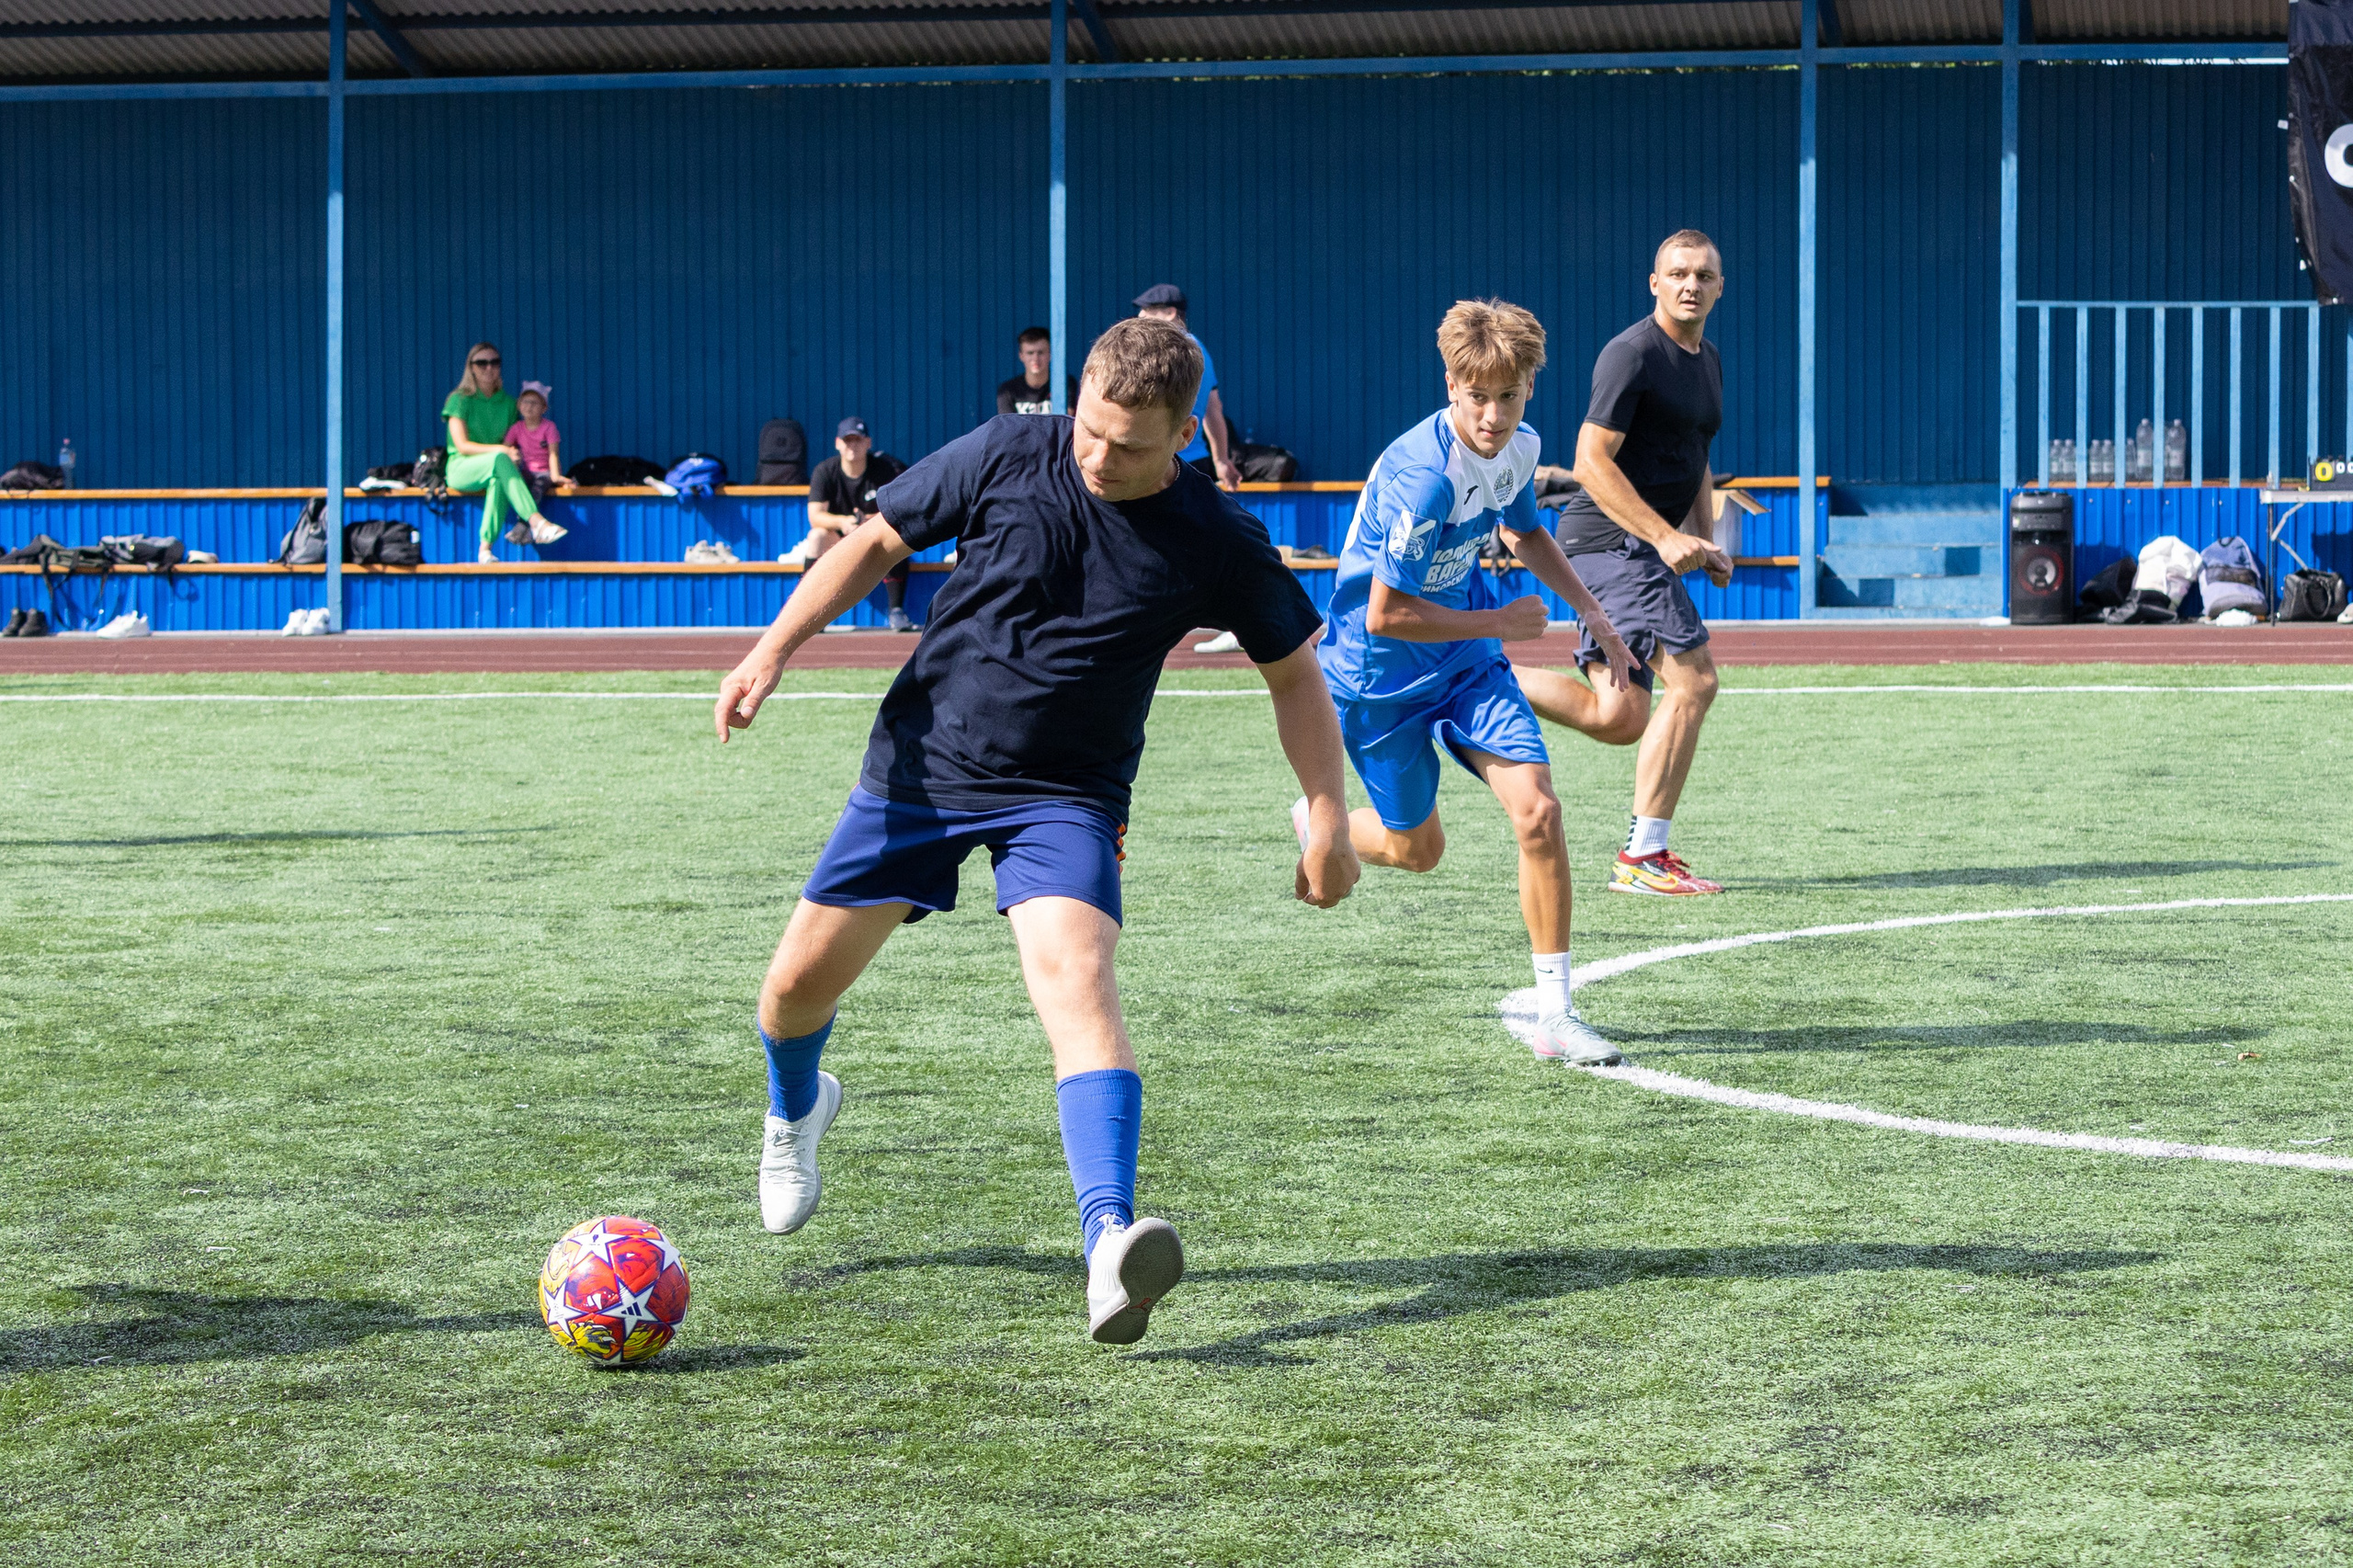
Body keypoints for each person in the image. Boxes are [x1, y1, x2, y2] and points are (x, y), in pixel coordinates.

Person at [713, 317, 1359, 1345]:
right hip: (925, 767)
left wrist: (1326, 810)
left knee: (1079, 982)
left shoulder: (1217, 536)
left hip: (1067, 794)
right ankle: (796, 1108)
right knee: (791, 994)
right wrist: (772, 650)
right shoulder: (1015, 447)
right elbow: (878, 538)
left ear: (1186, 432)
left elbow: (1293, 675)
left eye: (1130, 444)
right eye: (1090, 432)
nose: (1098, 457)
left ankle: (1108, 1243)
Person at [1312, 299, 1637, 1068]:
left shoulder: (1520, 447)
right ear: (1451, 385)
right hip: (1376, 678)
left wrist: (1595, 613)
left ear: (1530, 390)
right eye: (1476, 395)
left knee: (1539, 812)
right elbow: (1386, 616)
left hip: (1465, 664)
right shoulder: (1423, 478)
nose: (1493, 415)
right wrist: (1504, 624)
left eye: (1510, 395)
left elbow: (1525, 531)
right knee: (1416, 850)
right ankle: (1321, 825)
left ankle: (1555, 1015)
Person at [1509, 232, 1735, 897]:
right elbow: (1590, 463)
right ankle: (1643, 858)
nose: (1690, 284)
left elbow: (1696, 452)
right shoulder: (1631, 354)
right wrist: (1665, 539)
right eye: (1678, 273)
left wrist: (1704, 534)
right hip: (1610, 541)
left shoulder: (1708, 359)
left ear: (1720, 287)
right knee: (1694, 683)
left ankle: (1474, 671)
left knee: (1620, 718)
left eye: (1703, 275)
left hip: (1638, 544)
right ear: (1654, 283)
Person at [441, 343, 564, 562]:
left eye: (494, 362)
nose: (489, 368)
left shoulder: (508, 404)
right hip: (462, 467)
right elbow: (462, 446)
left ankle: (485, 549)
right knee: (500, 459)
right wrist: (502, 451)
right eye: (481, 363)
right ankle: (536, 522)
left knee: (500, 476)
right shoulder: (459, 399)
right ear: (471, 367)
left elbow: (516, 440)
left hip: (496, 466)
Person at [801, 418, 915, 631]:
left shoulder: (885, 469)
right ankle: (808, 612)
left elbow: (898, 511)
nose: (852, 446)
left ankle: (897, 611)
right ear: (837, 443)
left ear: (868, 442)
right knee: (816, 537)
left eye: (858, 440)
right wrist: (843, 522)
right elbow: (815, 516)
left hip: (872, 537)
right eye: (847, 440)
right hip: (839, 538)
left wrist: (866, 523)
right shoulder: (825, 471)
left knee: (897, 535)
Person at [503, 381, 575, 528]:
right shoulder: (516, 428)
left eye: (535, 403)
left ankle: (523, 525)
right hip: (526, 471)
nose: (529, 406)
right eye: (525, 402)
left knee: (537, 490)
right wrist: (513, 455)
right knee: (517, 486)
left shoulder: (549, 427)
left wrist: (555, 476)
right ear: (519, 405)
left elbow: (553, 454)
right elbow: (505, 448)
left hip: (545, 472)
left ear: (544, 408)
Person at [996, 326, 1077, 416]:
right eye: (1030, 353)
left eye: (1041, 352)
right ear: (1021, 356)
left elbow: (1066, 422)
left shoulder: (1066, 384)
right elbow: (1009, 427)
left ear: (1050, 354)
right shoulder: (1007, 391)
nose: (1035, 359)